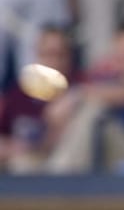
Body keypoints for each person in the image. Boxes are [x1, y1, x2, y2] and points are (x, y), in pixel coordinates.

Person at [44, 24, 124, 174]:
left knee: (96, 111)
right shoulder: (110, 80)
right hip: (110, 161)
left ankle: (60, 174)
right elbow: (54, 115)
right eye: (121, 56)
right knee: (90, 113)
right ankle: (60, 169)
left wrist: (78, 94)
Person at [0, 25, 82, 174]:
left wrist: (76, 95)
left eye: (60, 55)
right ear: (37, 54)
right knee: (22, 164)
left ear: (69, 56)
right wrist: (11, 146)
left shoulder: (78, 83)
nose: (54, 61)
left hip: (68, 170)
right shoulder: (19, 93)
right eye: (48, 54)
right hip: (25, 166)